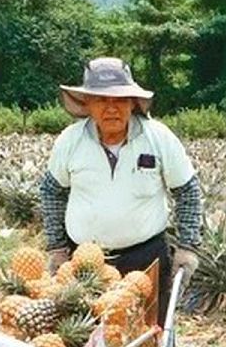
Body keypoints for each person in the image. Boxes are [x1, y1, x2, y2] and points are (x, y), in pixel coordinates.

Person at [40, 57, 202, 322]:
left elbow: (187, 190)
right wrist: (57, 248)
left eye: (120, 99)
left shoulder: (158, 137)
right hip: (85, 261)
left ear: (132, 102)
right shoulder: (70, 140)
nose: (111, 108)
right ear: (88, 104)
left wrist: (187, 246)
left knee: (148, 338)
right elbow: (52, 191)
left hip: (146, 258)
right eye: (102, 100)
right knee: (88, 338)